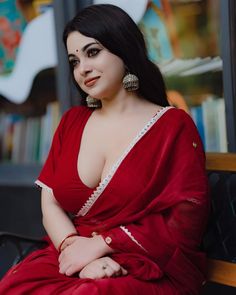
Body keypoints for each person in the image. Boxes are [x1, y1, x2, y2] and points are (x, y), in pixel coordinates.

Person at [0, 4, 209, 294]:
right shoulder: (72, 122)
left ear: (123, 49)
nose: (82, 68)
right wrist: (75, 251)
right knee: (14, 285)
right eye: (74, 61)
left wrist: (102, 245)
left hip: (149, 260)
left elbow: (185, 221)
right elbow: (50, 202)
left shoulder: (171, 126)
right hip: (70, 252)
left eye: (92, 52)